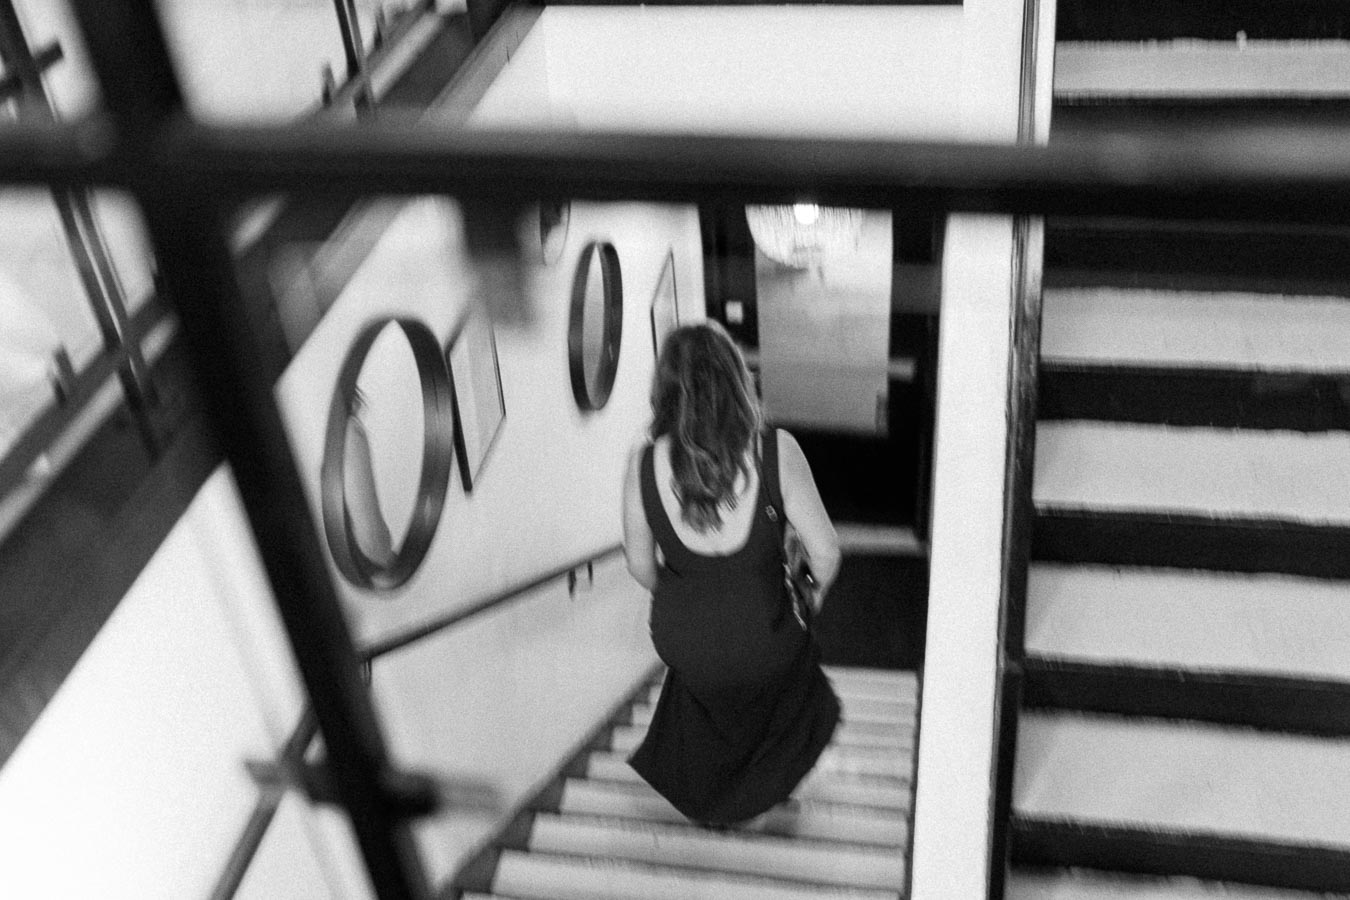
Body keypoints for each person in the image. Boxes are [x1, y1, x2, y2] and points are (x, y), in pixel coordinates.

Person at [621, 321, 842, 827]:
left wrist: (685, 593)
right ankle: (769, 789)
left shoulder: (641, 465)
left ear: (666, 390)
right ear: (737, 378)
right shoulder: (774, 450)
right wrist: (809, 598)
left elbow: (638, 565)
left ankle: (721, 799)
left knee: (716, 696)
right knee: (788, 682)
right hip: (764, 631)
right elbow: (826, 553)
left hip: (682, 637)